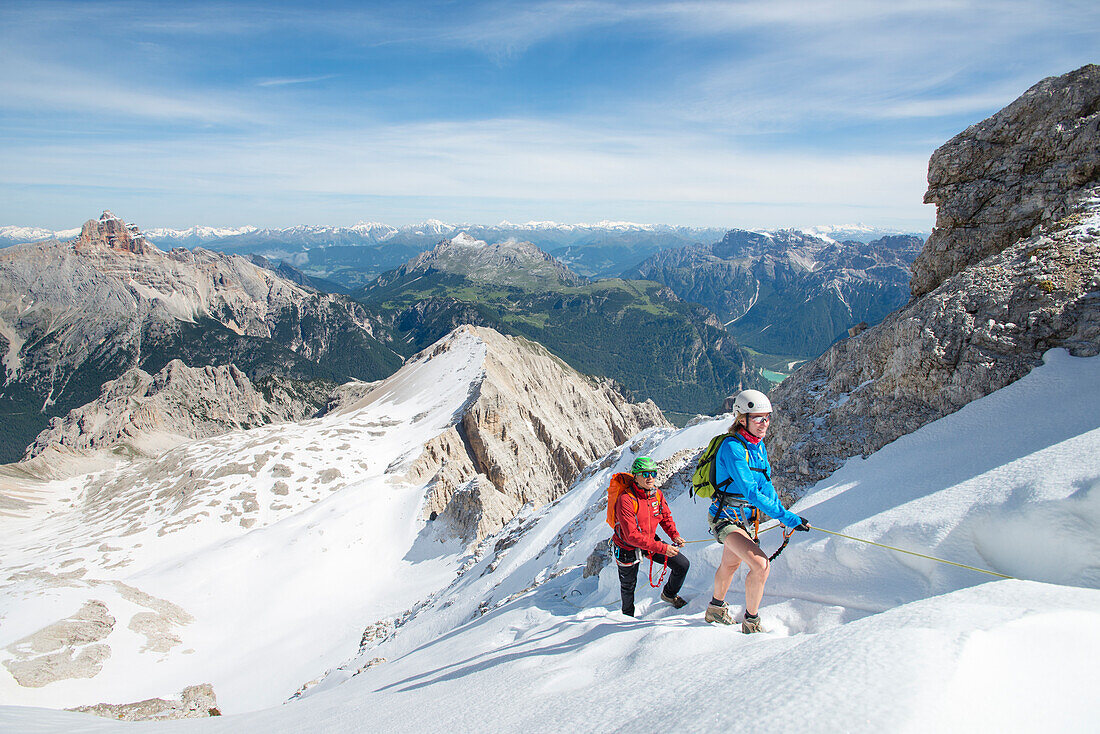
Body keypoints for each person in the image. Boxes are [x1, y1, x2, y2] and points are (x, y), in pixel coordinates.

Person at [704, 389, 810, 632]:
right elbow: (750, 491)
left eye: (767, 417)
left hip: (742, 520)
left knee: (730, 565)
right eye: (759, 418)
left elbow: (765, 483)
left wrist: (782, 515)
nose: (765, 423)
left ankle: (715, 609)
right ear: (742, 419)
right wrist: (786, 517)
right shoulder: (733, 448)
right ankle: (750, 623)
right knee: (761, 565)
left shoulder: (758, 447)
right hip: (725, 518)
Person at [611, 456, 690, 617]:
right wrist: (663, 548)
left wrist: (674, 536)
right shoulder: (625, 499)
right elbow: (631, 535)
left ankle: (669, 594)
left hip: (649, 540)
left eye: (653, 473)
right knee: (628, 586)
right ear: (636, 475)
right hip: (627, 546)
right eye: (645, 474)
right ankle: (627, 618)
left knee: (682, 564)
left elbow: (665, 517)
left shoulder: (656, 495)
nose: (650, 477)